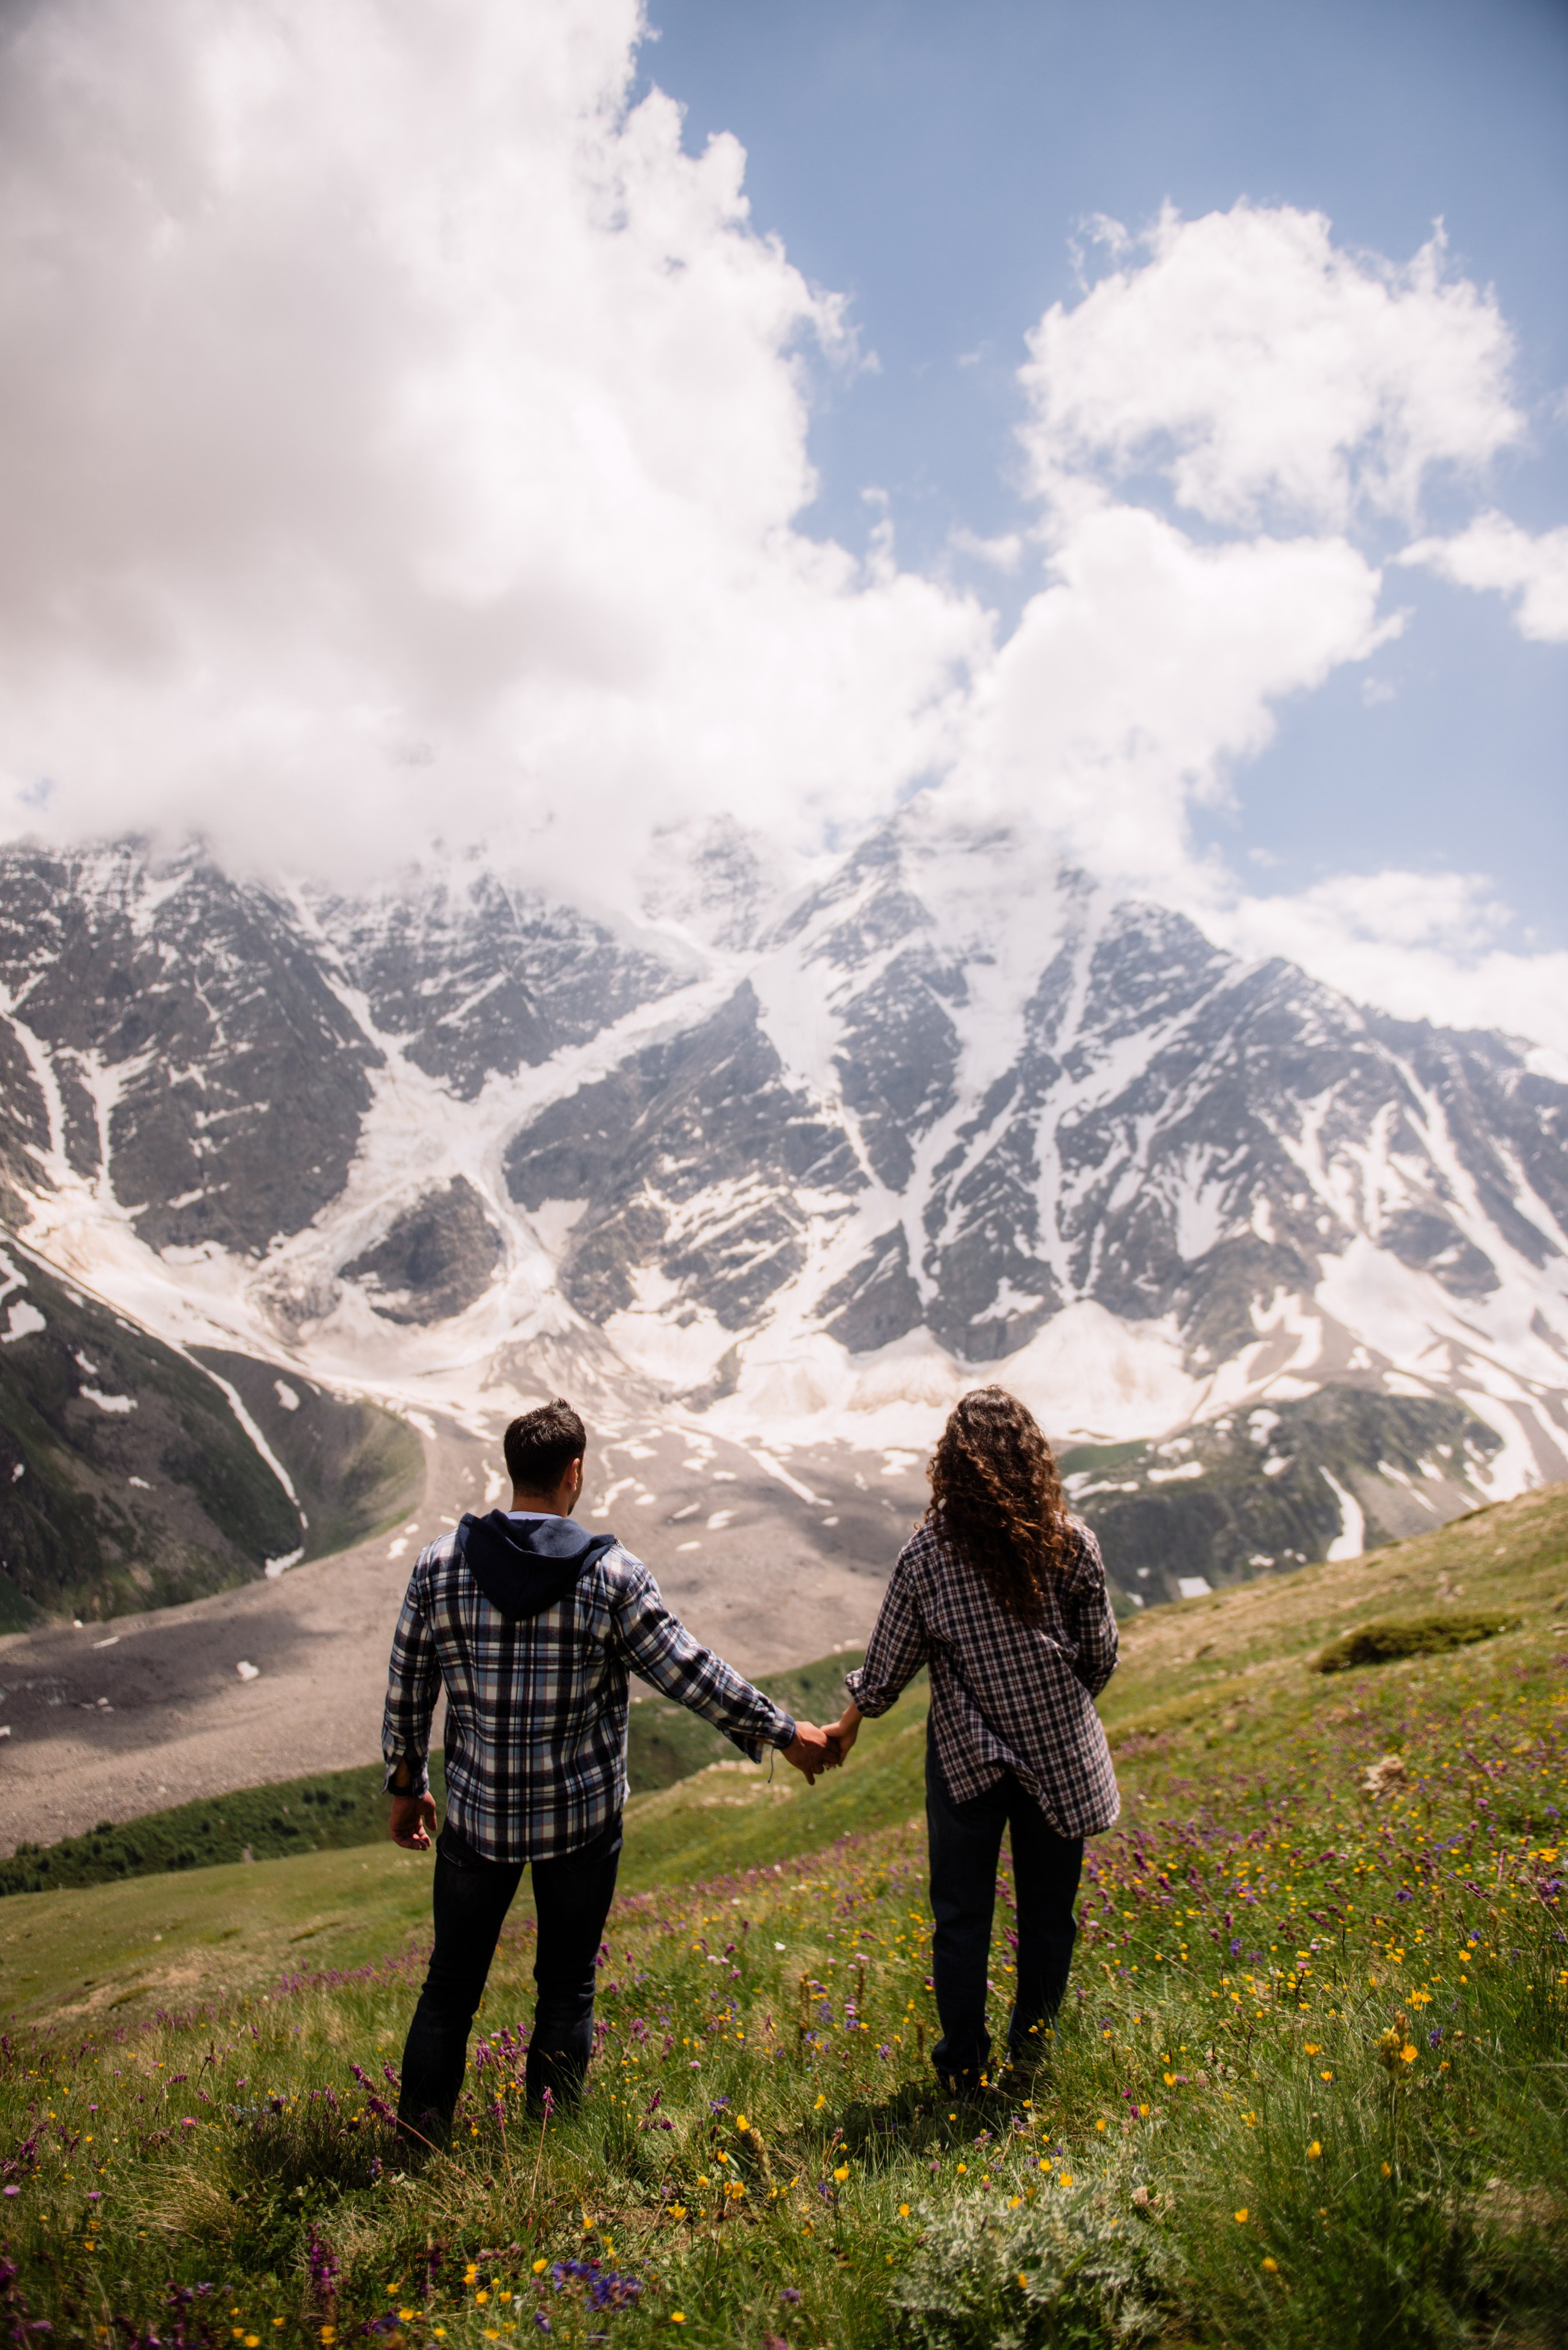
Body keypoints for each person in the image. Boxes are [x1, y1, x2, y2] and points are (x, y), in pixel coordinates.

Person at [383, 1396, 835, 2143]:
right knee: (565, 1988)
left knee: (449, 1990)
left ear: (512, 1471)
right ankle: (551, 2147)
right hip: (580, 1822)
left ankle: (419, 2140)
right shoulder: (611, 1576)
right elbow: (689, 1671)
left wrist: (407, 1786)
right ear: (574, 1472)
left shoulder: (438, 1566)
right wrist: (784, 1733)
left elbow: (408, 1686)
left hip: (475, 1815)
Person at [824, 1386, 1119, 2093]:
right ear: (1030, 1456)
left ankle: (962, 2063)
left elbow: (889, 1664)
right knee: (1049, 1915)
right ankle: (1031, 2053)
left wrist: (846, 1724)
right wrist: (1056, 1707)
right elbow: (1101, 1652)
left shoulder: (926, 1554)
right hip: (1059, 1753)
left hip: (966, 1762)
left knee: (960, 1918)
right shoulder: (1070, 1539)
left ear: (950, 1465)